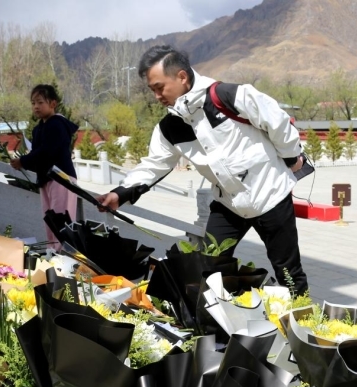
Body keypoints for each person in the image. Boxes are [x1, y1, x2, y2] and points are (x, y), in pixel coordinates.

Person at [96, 45, 308, 294]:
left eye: (159, 87)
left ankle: (301, 314)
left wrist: (291, 156)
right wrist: (120, 193)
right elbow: (155, 164)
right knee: (207, 268)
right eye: (152, 90)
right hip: (229, 205)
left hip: (270, 196)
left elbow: (277, 121)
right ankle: (219, 313)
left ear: (181, 77)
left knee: (288, 273)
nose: (156, 96)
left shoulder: (229, 96)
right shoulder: (169, 127)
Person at [10, 84, 78, 250]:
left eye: (40, 102)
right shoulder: (38, 129)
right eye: (33, 103)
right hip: (46, 178)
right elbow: (38, 155)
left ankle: (63, 256)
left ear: (53, 103)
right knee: (50, 219)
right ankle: (53, 253)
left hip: (61, 178)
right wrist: (25, 162)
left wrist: (23, 161)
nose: (36, 106)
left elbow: (47, 152)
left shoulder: (57, 125)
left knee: (61, 219)